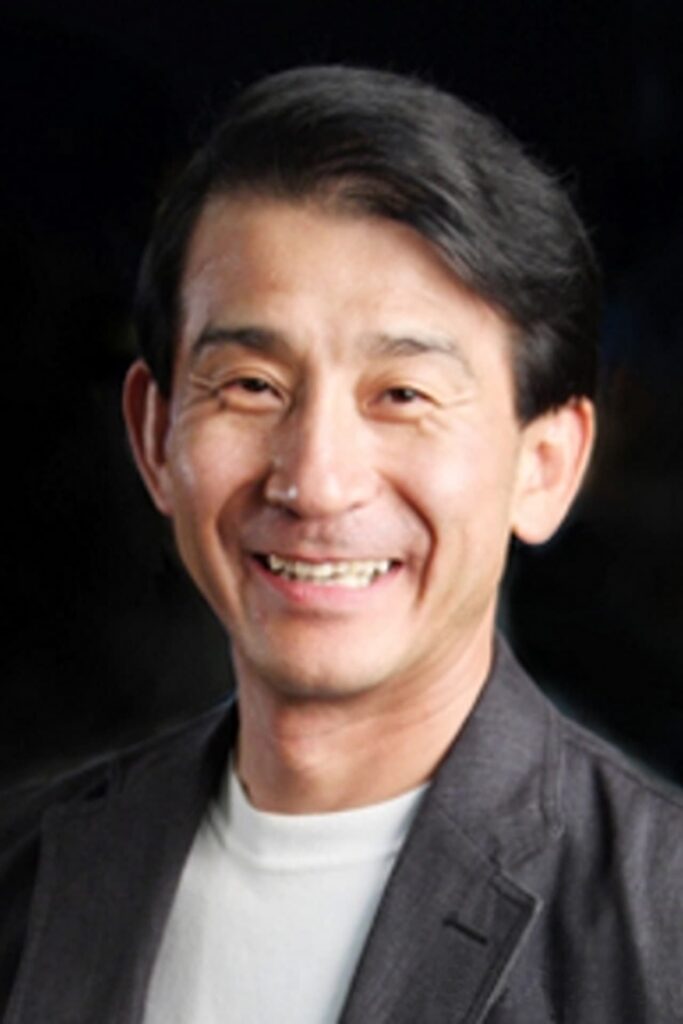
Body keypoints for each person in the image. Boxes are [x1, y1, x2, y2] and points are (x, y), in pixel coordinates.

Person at [3, 65, 683, 1024]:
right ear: (155, 437)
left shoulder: (662, 926)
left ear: (544, 465)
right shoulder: (25, 875)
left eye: (401, 395)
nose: (314, 482)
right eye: (252, 386)